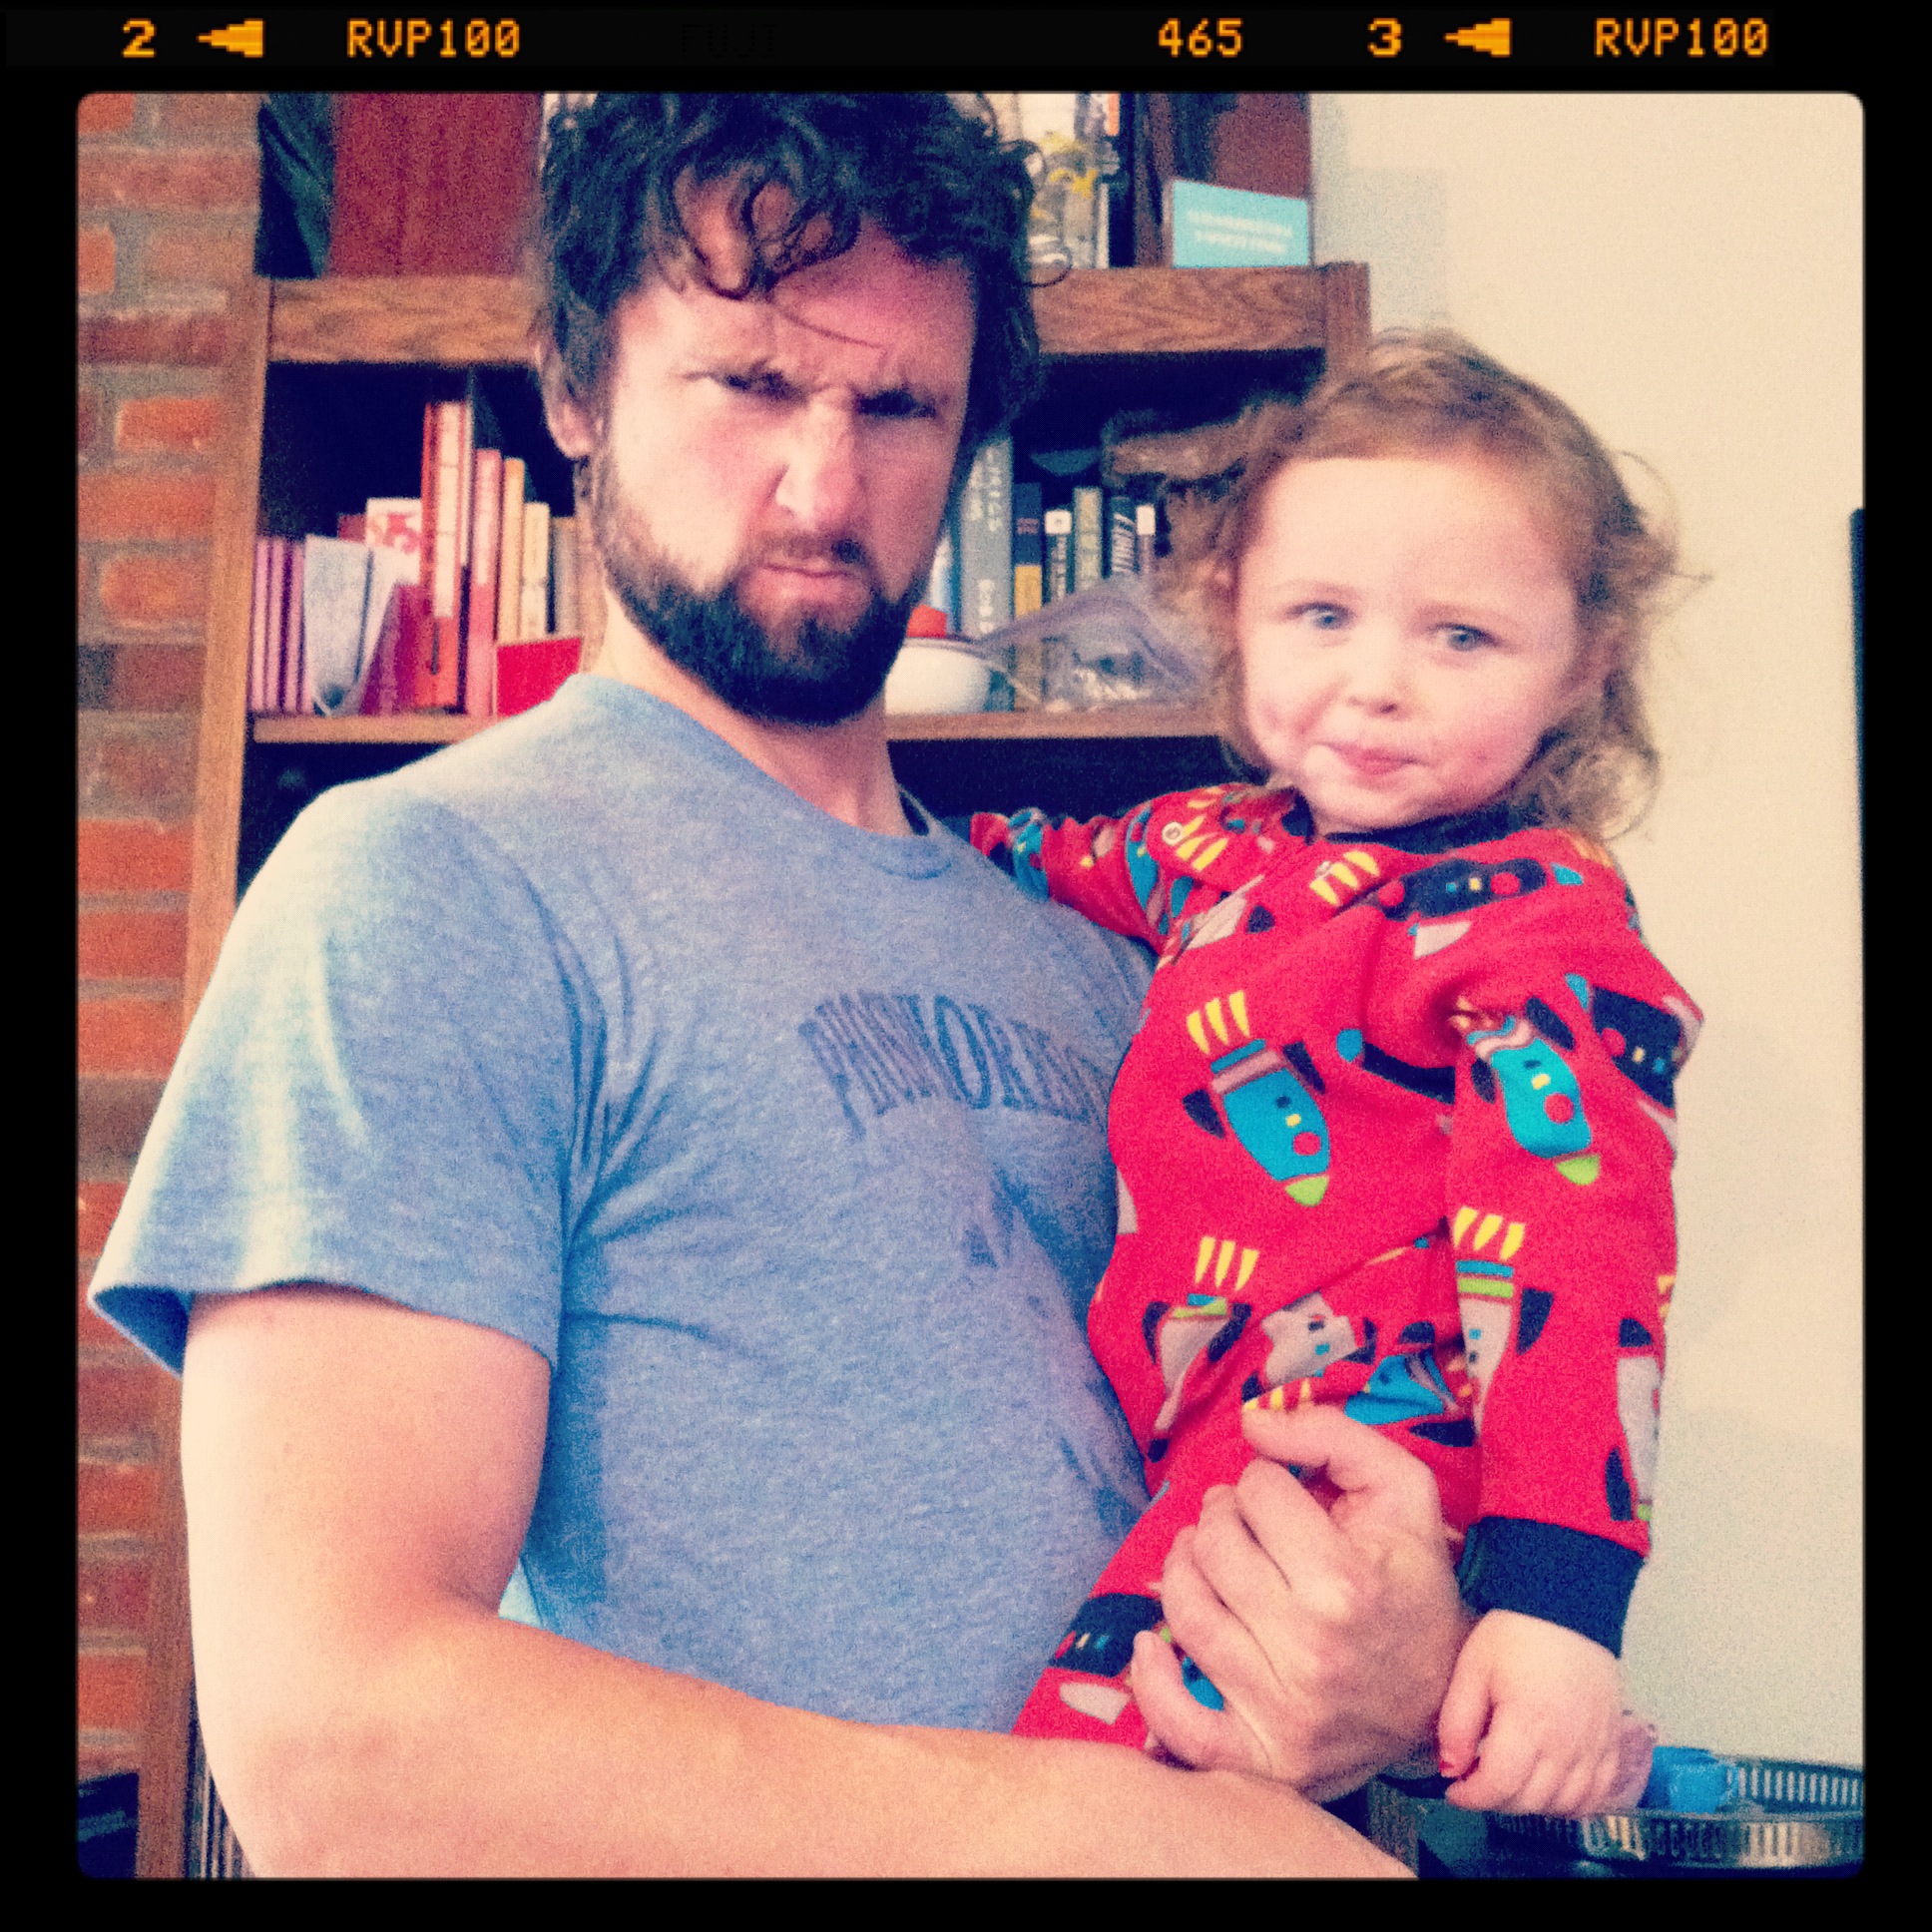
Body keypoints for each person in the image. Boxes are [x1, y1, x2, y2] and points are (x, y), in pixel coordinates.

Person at [88, 95, 1459, 1876]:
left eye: (898, 410)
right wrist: (1090, 1838)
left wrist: (1396, 1657)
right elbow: (338, 1749)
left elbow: (1305, 1420)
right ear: (577, 387)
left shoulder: (1114, 959)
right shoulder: (431, 886)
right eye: (749, 384)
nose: (824, 488)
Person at [973, 331, 1697, 1819]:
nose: (1376, 686)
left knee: (1075, 1790)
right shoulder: (1219, 847)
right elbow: (1050, 856)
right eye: (1321, 616)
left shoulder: (1541, 923)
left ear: (1583, 664)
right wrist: (897, 833)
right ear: (1234, 617)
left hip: (1367, 1441)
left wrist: (1559, 1610)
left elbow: (1581, 1251)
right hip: (1215, 1435)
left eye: (1461, 638)